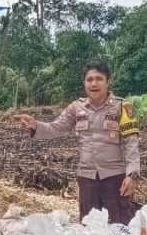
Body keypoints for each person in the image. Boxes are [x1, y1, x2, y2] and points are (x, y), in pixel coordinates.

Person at [15, 59, 140, 224]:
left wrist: (132, 175)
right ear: (84, 83)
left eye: (99, 79)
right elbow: (56, 127)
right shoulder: (77, 108)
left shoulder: (123, 107)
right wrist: (35, 125)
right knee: (89, 227)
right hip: (87, 179)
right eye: (89, 79)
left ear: (107, 82)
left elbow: (131, 143)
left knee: (119, 226)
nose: (94, 83)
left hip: (115, 178)